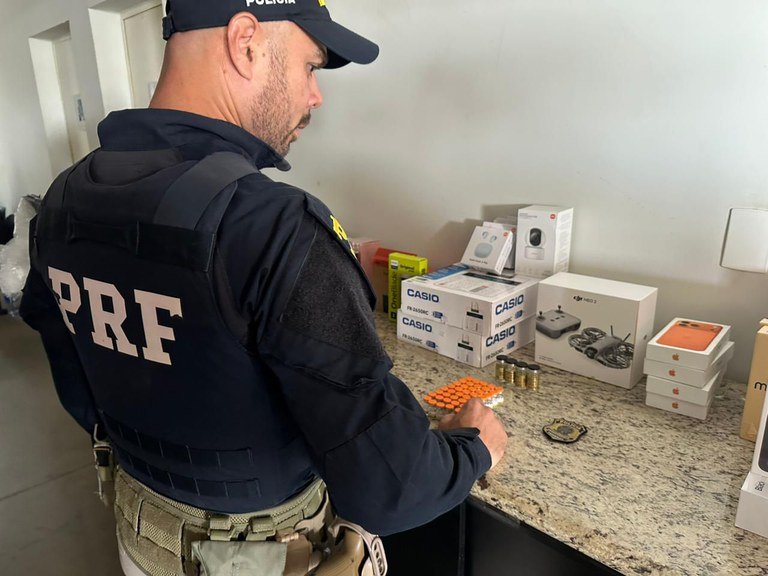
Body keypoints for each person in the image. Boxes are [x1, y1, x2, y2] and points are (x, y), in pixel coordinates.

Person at [20, 1, 508, 574]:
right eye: (311, 67)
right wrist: (473, 448)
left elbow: (79, 387)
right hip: (258, 558)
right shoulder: (271, 225)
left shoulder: (64, 197)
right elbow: (390, 488)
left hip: (141, 538)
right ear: (246, 41)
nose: (315, 96)